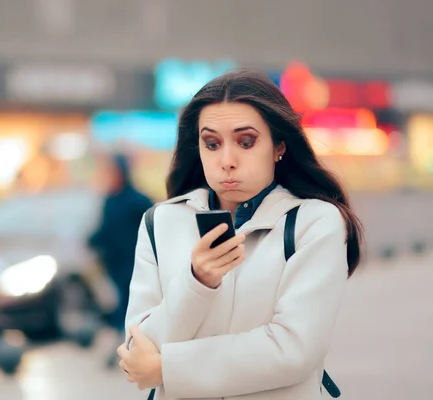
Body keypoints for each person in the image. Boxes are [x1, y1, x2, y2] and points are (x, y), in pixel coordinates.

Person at [117, 69, 364, 399]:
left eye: (246, 142)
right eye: (212, 143)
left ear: (279, 146)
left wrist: (167, 369)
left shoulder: (313, 222)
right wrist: (197, 282)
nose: (227, 160)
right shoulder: (160, 222)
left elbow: (293, 350)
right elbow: (137, 349)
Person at [87, 152, 153, 367]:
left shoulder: (137, 200)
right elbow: (105, 229)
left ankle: (124, 349)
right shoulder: (110, 200)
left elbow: (151, 229)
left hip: (133, 263)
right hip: (113, 265)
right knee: (119, 305)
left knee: (128, 306)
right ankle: (123, 347)